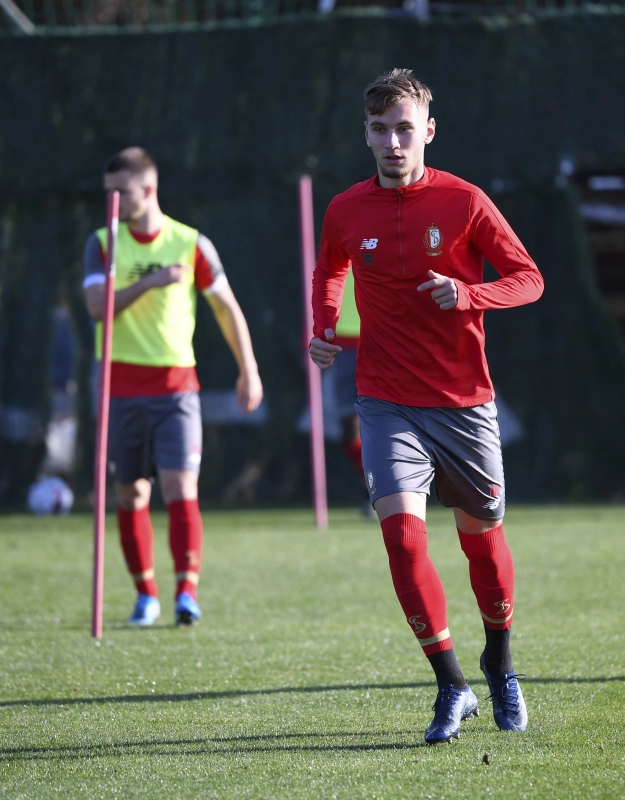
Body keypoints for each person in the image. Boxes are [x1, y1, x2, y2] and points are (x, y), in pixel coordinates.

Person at [309, 69, 544, 744]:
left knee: (483, 543)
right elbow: (330, 267)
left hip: (465, 404)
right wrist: (325, 325)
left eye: (404, 128)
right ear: (366, 134)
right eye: (380, 130)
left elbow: (529, 279)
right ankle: (450, 685)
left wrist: (470, 296)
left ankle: (498, 662)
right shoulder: (346, 208)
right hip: (385, 399)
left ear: (428, 132)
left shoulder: (465, 201)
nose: (392, 141)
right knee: (402, 538)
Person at [83, 147, 263, 627]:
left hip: (176, 387)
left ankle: (187, 593)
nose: (113, 202)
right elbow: (98, 308)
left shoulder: (191, 242)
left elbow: (226, 307)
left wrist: (249, 368)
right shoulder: (103, 242)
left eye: (121, 192)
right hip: (117, 387)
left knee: (181, 486)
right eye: (108, 194)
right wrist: (154, 282)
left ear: (148, 189)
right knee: (130, 495)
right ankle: (146, 594)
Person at [331, 271, 369, 513]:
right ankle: (375, 487)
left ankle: (394, 490)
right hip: (344, 345)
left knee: (388, 420)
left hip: (384, 338)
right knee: (349, 429)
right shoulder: (338, 238)